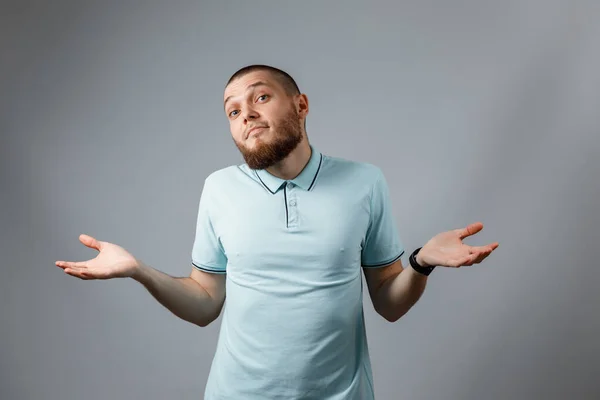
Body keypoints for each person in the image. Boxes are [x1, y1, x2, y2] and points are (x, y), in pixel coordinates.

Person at [56, 64, 499, 399]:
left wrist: (421, 262)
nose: (245, 114)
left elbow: (388, 302)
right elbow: (205, 303)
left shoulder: (365, 182)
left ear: (301, 105)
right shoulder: (219, 188)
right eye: (232, 111)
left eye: (260, 98)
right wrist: (138, 270)